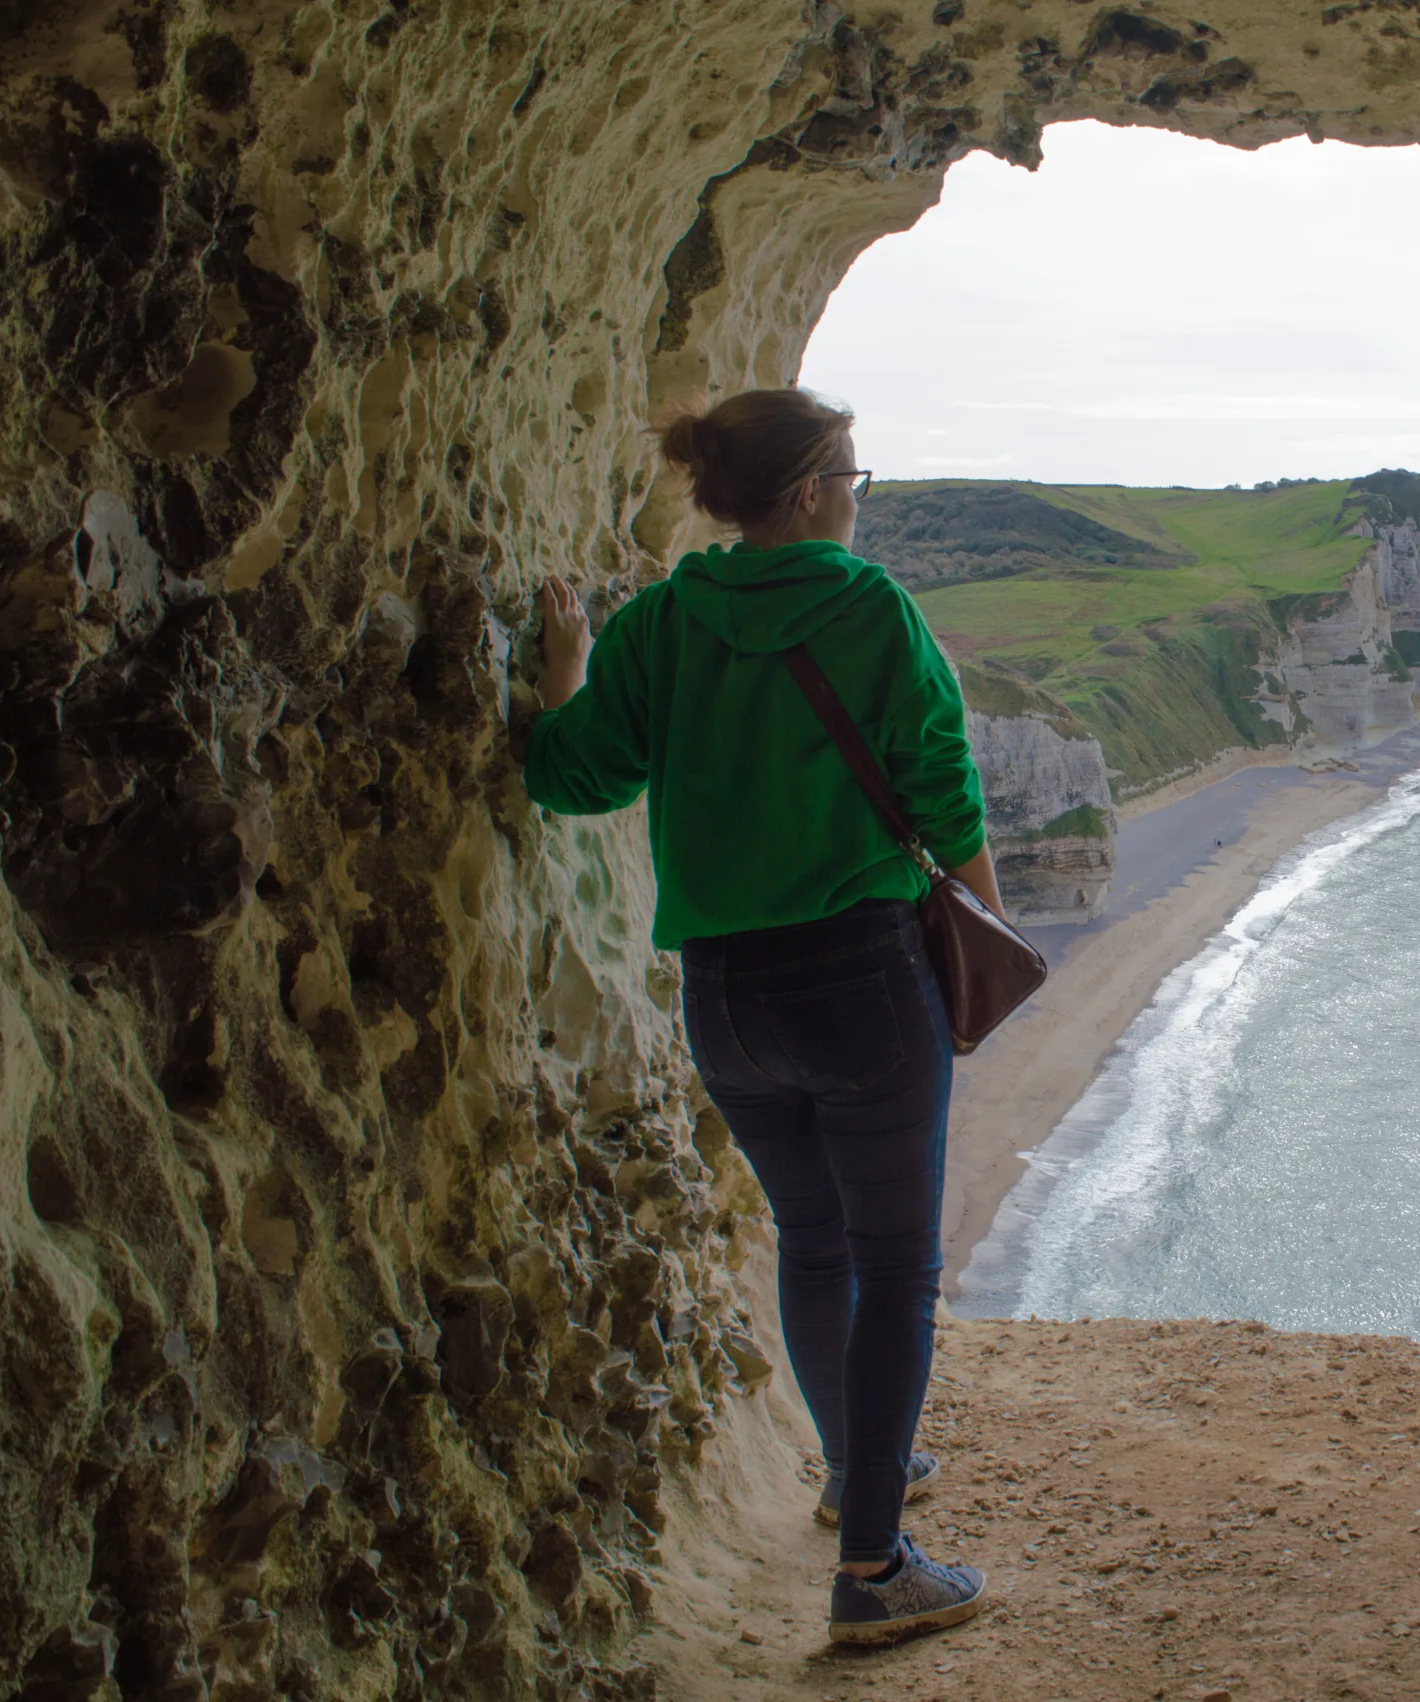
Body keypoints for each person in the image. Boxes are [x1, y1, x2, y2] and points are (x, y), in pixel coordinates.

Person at [524, 387, 997, 1646]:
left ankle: (853, 1469)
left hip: (724, 997)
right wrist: (988, 940)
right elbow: (942, 786)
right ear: (807, 493)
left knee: (814, 1237)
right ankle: (873, 1566)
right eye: (852, 474)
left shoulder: (664, 620)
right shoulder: (866, 606)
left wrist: (562, 679)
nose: (858, 494)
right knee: (897, 1265)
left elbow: (568, 775)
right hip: (859, 978)